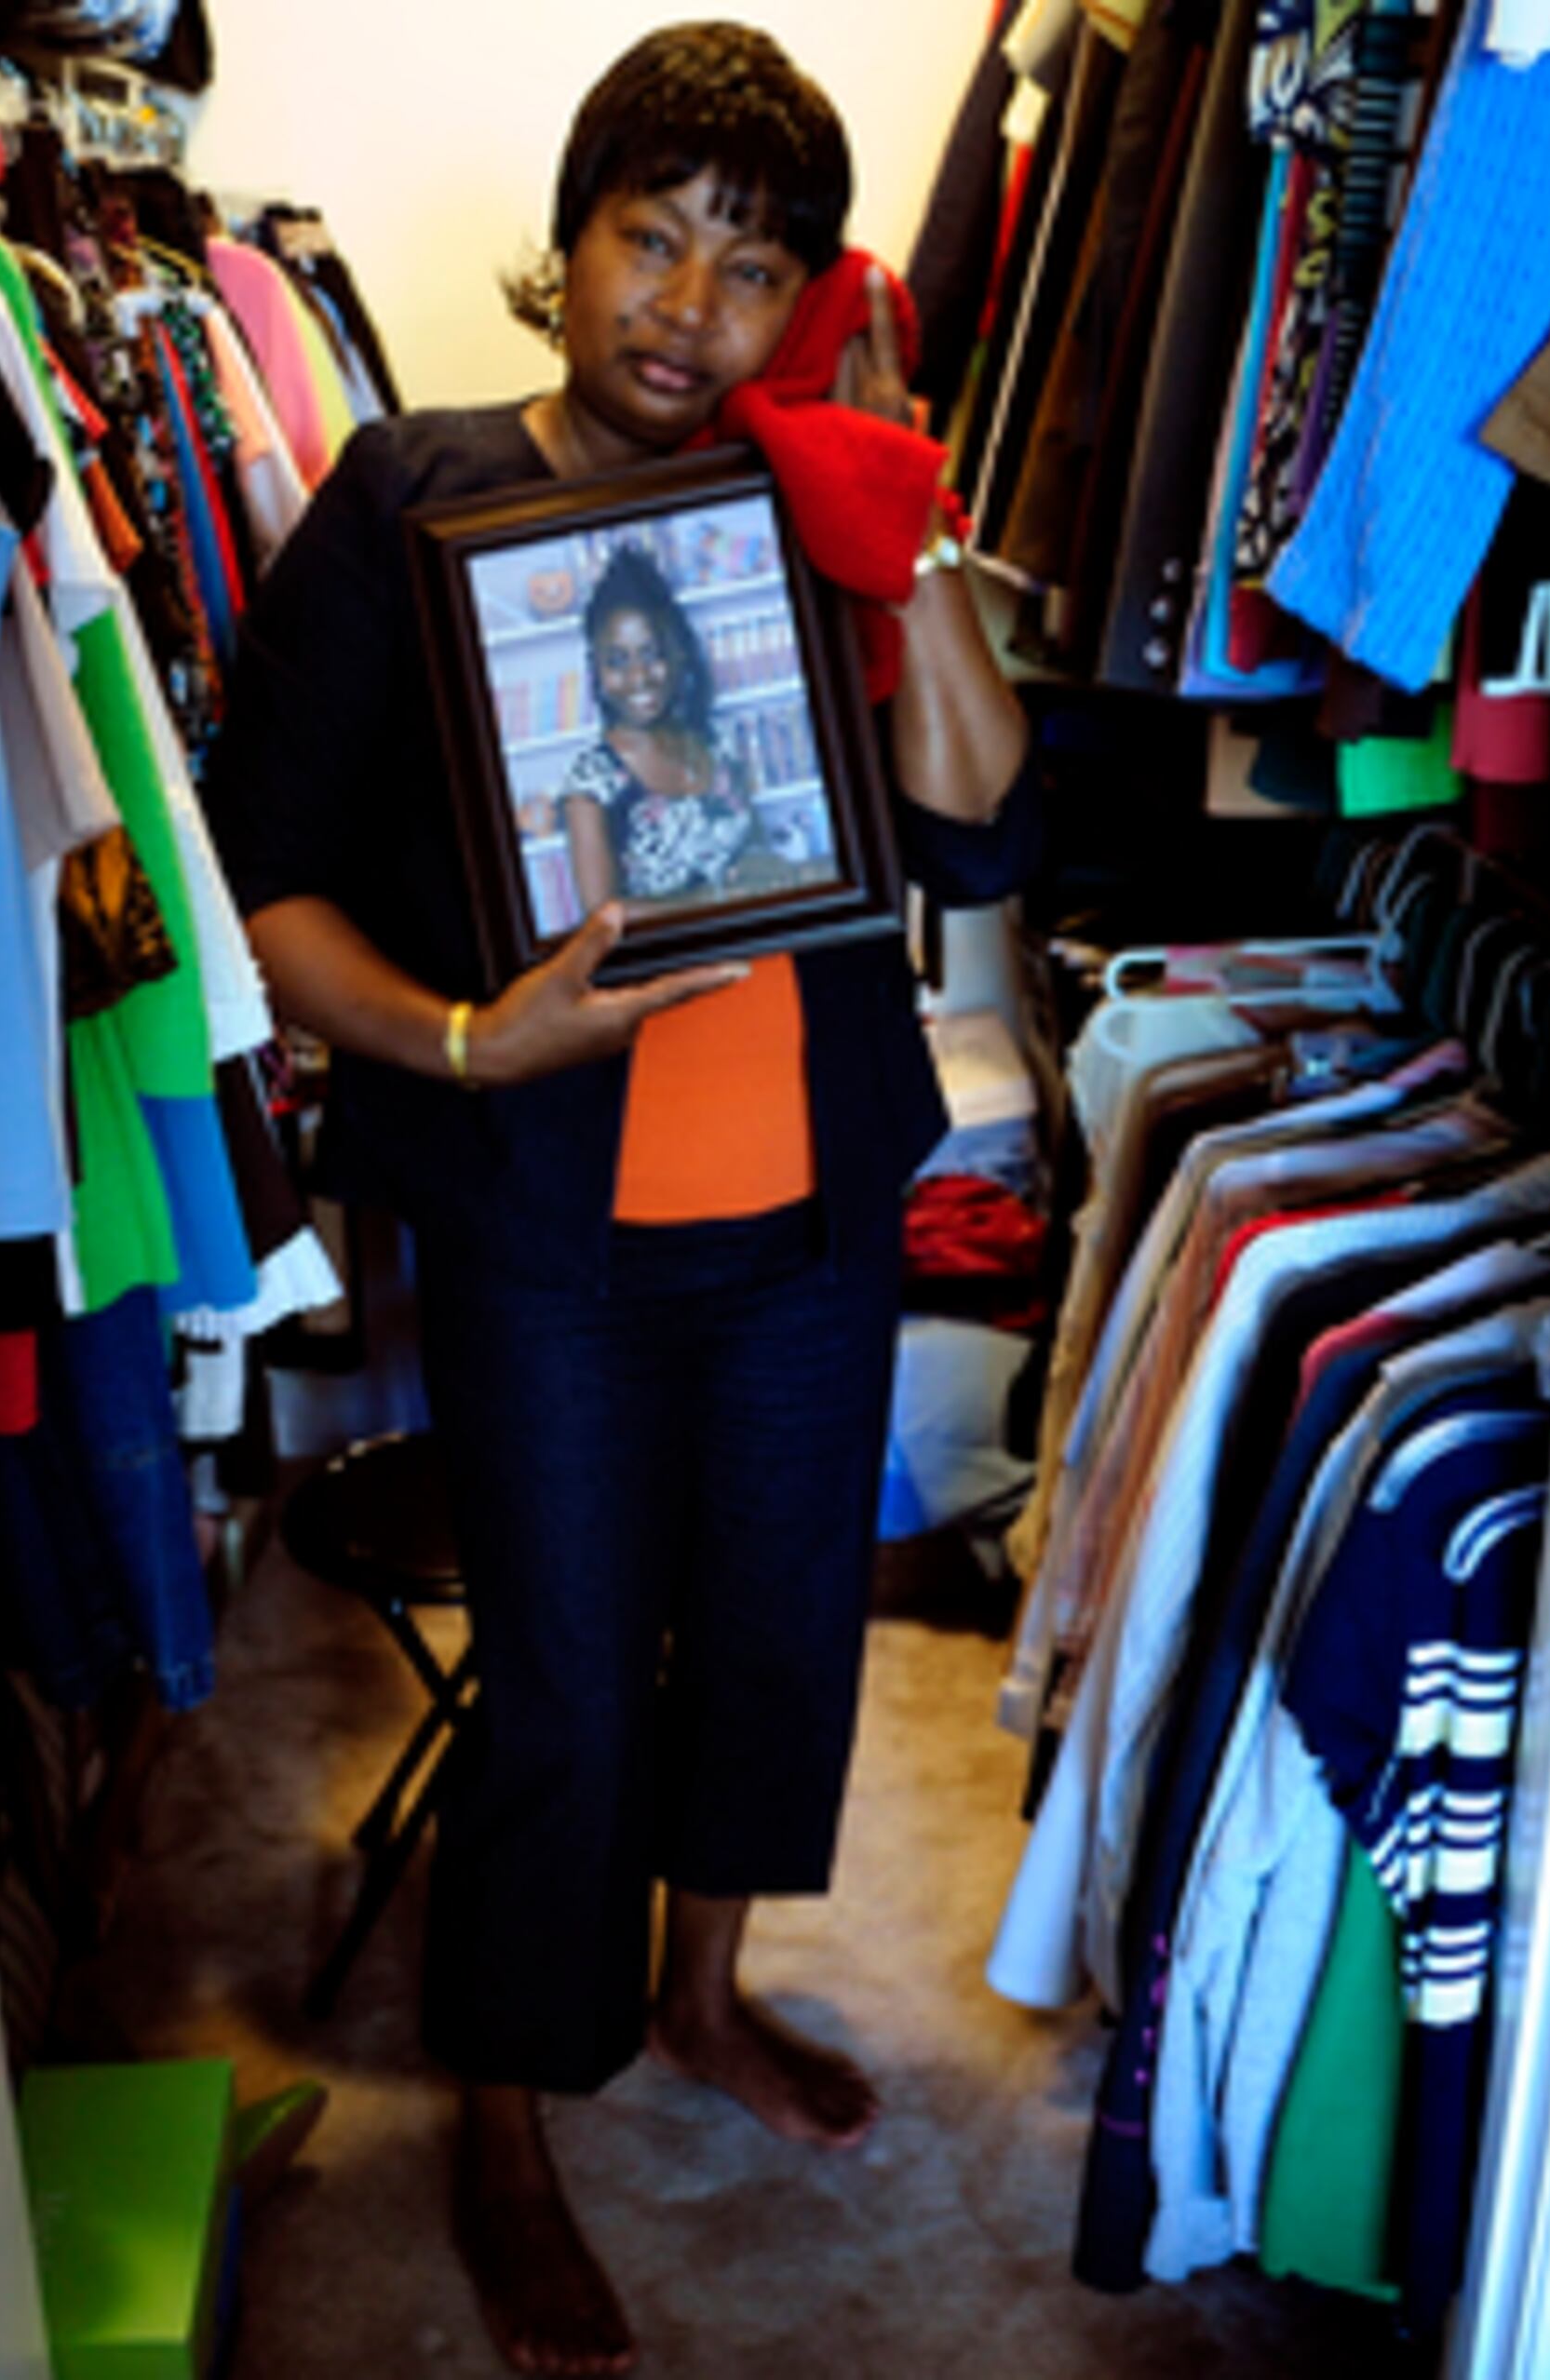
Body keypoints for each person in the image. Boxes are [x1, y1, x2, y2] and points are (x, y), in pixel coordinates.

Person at [206, 22, 1035, 2374]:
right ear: (564, 248)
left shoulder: (816, 496)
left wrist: (917, 515)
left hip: (802, 1199)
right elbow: (256, 883)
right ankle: (501, 2110)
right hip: (548, 1219)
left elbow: (978, 825)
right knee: (565, 1679)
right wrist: (473, 1038)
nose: (685, 303)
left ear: (809, 298)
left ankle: (698, 1995)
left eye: (748, 266)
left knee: (775, 1631)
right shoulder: (406, 495)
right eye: (645, 238)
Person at [556, 544, 774, 912]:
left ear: (679, 655)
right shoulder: (591, 783)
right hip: (678, 968)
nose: (638, 677)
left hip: (761, 945)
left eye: (652, 654)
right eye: (617, 661)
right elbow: (604, 921)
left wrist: (769, 871)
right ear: (597, 670)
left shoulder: (715, 743)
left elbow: (755, 846)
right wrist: (714, 900)